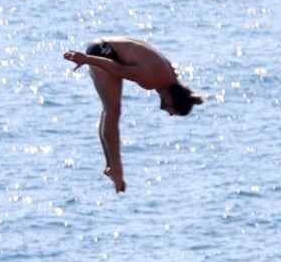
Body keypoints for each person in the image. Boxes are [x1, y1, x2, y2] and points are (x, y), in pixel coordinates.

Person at [63, 36, 204, 193]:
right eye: (172, 110)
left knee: (111, 109)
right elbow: (118, 69)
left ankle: (112, 165)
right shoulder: (154, 79)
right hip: (104, 51)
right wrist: (86, 59)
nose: (169, 113)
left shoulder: (169, 77)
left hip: (108, 48)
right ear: (171, 99)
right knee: (112, 109)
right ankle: (115, 167)